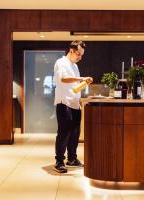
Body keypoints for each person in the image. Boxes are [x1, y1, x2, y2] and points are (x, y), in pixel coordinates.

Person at [53, 40, 93, 173]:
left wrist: (85, 83)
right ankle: (59, 161)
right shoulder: (61, 62)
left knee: (75, 133)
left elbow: (75, 88)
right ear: (71, 50)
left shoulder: (75, 66)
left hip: (75, 103)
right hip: (64, 103)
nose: (80, 57)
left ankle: (72, 158)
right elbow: (63, 79)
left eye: (82, 55)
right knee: (64, 133)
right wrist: (81, 78)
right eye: (78, 54)